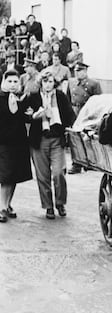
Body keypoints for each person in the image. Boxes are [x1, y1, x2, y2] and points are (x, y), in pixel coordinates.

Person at [23, 71, 75, 219]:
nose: (48, 84)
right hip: (39, 141)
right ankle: (48, 207)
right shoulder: (32, 97)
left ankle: (60, 203)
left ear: (55, 83)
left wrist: (73, 127)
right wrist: (34, 116)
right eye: (45, 81)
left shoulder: (60, 96)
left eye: (51, 81)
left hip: (57, 139)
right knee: (43, 176)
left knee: (59, 173)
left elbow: (70, 114)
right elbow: (24, 116)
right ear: (41, 83)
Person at [0, 70, 33, 222]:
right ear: (4, 82)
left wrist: (30, 114)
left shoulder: (23, 99)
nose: (12, 85)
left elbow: (26, 118)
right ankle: (2, 207)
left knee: (14, 176)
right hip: (4, 142)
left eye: (15, 82)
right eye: (10, 81)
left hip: (19, 142)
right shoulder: (0, 98)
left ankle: (8, 204)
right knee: (6, 176)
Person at [67, 61, 101, 174]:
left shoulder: (93, 84)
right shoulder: (71, 83)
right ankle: (76, 164)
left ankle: (89, 162)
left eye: (80, 71)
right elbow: (68, 99)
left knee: (87, 139)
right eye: (76, 71)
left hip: (86, 114)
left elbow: (98, 102)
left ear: (85, 71)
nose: (78, 73)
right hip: (74, 113)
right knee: (74, 140)